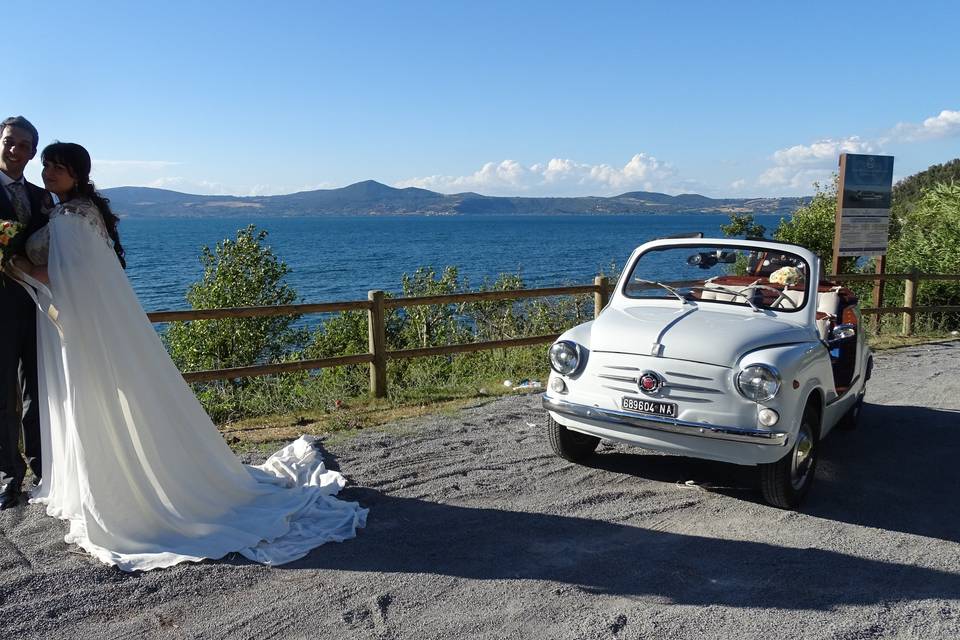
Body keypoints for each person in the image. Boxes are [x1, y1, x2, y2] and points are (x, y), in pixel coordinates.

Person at [11, 142, 366, 571]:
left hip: (79, 326)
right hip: (86, 323)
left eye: (59, 167)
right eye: (47, 164)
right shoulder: (81, 211)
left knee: (89, 398)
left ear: (78, 174)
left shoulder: (69, 218)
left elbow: (66, 276)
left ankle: (116, 489)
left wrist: (17, 265)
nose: (50, 172)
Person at [0, 116, 52, 510]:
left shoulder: (40, 198)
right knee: (2, 395)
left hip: (37, 309)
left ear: (32, 153)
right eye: (8, 141)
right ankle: (8, 476)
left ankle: (44, 468)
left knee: (40, 390)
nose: (13, 149)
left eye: (22, 145)